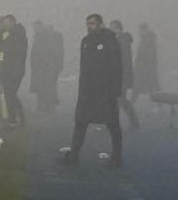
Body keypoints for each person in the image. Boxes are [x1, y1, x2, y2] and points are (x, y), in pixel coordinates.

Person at [60, 14, 123, 168]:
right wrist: (81, 88)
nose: (89, 26)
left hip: (105, 91)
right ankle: (74, 154)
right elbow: (84, 68)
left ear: (100, 24)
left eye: (93, 23)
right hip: (88, 92)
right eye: (88, 24)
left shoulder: (110, 41)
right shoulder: (86, 41)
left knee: (112, 124)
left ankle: (117, 155)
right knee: (80, 122)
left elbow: (116, 66)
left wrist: (116, 89)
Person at [110, 20, 140, 130]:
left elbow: (122, 59)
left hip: (121, 75)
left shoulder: (121, 40)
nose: (110, 29)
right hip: (122, 75)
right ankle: (133, 123)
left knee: (119, 99)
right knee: (120, 100)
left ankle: (115, 123)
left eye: (111, 27)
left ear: (117, 27)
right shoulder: (122, 39)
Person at [29, 21, 57, 113]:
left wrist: (48, 65)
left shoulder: (46, 37)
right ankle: (41, 106)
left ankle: (48, 106)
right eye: (35, 28)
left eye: (37, 27)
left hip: (45, 67)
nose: (35, 29)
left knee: (46, 87)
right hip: (38, 67)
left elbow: (49, 52)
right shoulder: (37, 37)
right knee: (40, 88)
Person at [132, 23, 160, 106]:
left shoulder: (147, 39)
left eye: (140, 29)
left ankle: (160, 104)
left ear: (144, 30)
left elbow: (148, 53)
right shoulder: (145, 39)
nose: (138, 31)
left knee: (150, 86)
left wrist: (140, 64)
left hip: (146, 68)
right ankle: (160, 104)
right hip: (144, 67)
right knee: (151, 86)